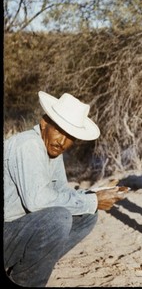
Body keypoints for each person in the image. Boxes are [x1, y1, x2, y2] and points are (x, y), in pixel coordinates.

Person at [4, 91, 128, 287]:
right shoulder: (28, 145)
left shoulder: (52, 151)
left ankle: (26, 269)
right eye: (59, 131)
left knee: (87, 215)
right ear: (44, 123)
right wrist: (92, 200)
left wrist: (94, 195)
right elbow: (37, 201)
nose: (62, 142)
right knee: (59, 217)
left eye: (70, 136)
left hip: (18, 230)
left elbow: (61, 192)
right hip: (7, 228)